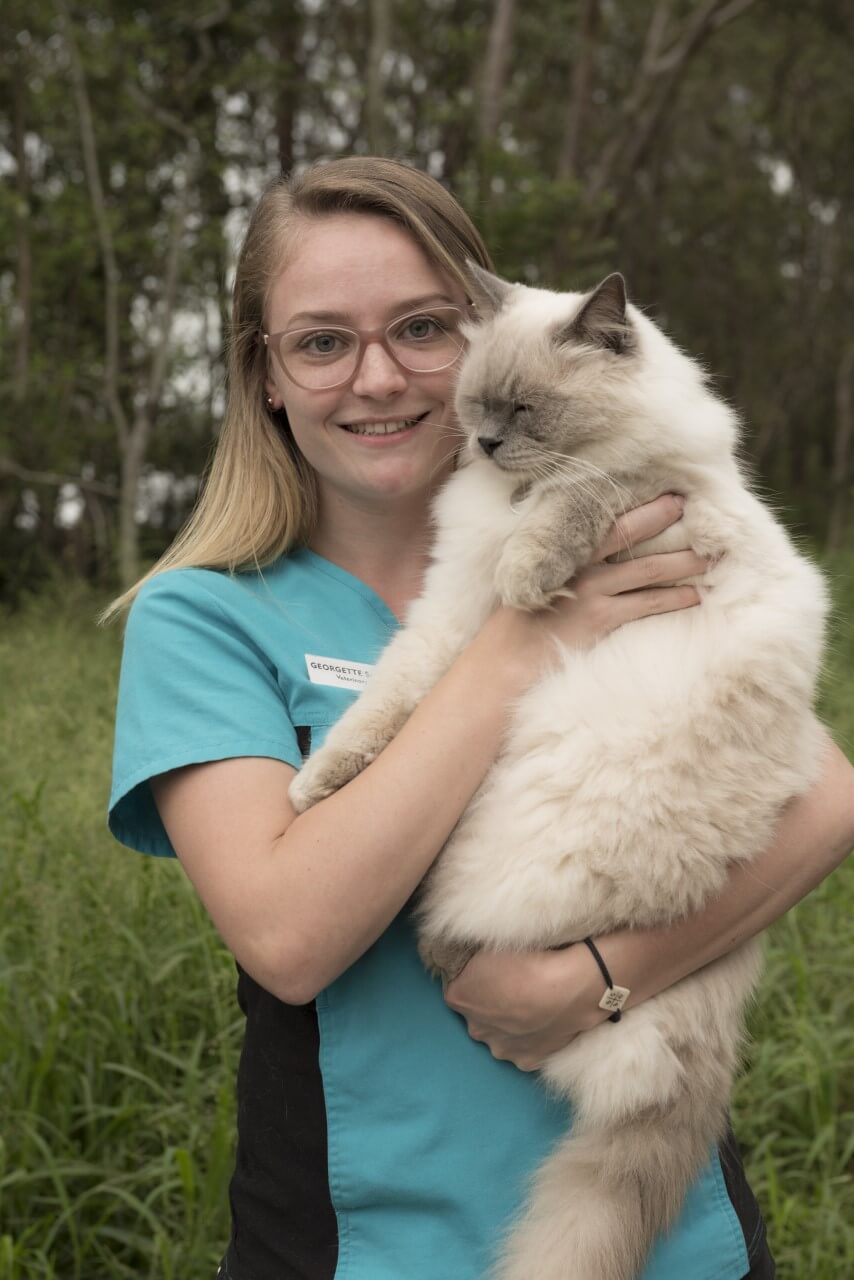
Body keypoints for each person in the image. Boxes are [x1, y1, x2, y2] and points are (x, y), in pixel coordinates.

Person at [108, 157, 853, 1280]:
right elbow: (288, 937)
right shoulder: (204, 614)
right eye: (320, 341)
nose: (377, 377)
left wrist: (596, 971)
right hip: (373, 1239)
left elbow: (823, 794)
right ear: (264, 374)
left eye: (419, 327)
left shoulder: (641, 521)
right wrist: (514, 637)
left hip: (669, 1217)